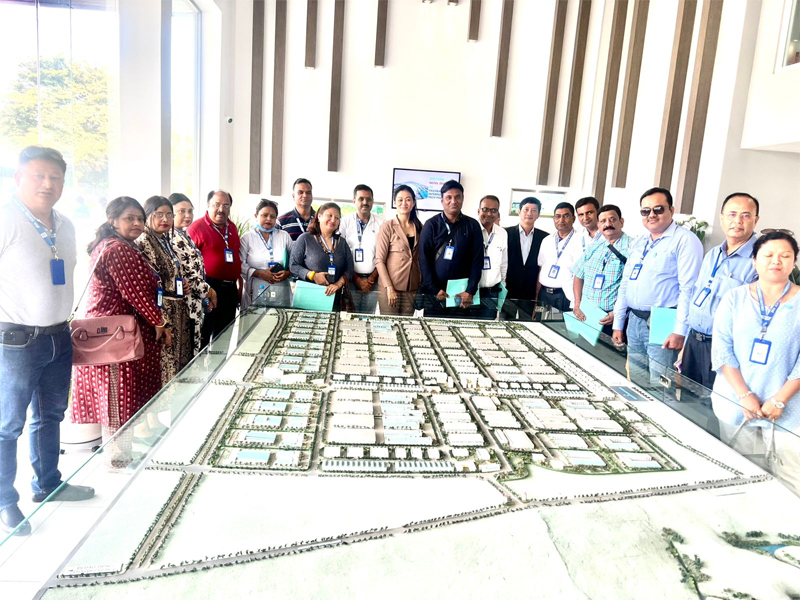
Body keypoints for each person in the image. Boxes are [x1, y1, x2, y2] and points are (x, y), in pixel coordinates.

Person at [0, 147, 94, 536]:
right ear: (18, 178)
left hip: (59, 335)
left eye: (55, 177)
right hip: (15, 342)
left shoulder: (66, 224)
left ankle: (48, 484)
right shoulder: (6, 218)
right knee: (8, 425)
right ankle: (6, 501)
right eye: (38, 175)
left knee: (51, 415)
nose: (47, 184)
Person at [70, 197, 169, 470]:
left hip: (118, 336)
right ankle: (118, 462)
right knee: (118, 401)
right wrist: (160, 323)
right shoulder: (117, 250)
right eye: (129, 218)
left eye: (140, 219)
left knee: (120, 400)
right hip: (114, 340)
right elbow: (136, 293)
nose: (137, 223)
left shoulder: (119, 245)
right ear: (112, 220)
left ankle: (122, 456)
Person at [711, 231, 800, 496]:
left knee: (791, 477)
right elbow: (722, 350)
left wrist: (780, 400)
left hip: (789, 409)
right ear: (754, 260)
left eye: (785, 256)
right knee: (741, 474)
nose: (776, 261)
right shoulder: (734, 298)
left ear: (794, 262)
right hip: (736, 402)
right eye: (768, 255)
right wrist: (744, 395)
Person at [612, 187, 704, 389]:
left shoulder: (685, 240)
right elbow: (626, 283)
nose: (651, 215)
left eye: (658, 209)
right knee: (636, 379)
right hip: (634, 319)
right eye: (646, 211)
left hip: (664, 320)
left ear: (671, 210)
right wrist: (618, 322)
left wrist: (680, 331)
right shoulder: (640, 241)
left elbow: (688, 289)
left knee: (661, 383)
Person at [683, 193, 760, 389]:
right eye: (732, 214)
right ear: (722, 218)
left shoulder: (759, 260)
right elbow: (696, 296)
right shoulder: (713, 254)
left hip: (726, 349)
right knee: (687, 400)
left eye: (745, 215)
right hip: (694, 341)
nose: (737, 221)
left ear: (756, 220)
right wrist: (685, 344)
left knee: (713, 404)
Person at [136, 196, 192, 385]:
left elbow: (170, 271)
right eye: (159, 214)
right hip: (163, 312)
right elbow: (150, 282)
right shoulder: (144, 240)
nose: (165, 219)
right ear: (147, 215)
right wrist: (159, 319)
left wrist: (182, 283)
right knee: (165, 364)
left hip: (178, 309)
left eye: (169, 214)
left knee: (179, 364)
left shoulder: (165, 239)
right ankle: (161, 404)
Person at [418, 180, 483, 314]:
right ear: (442, 200)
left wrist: (470, 290)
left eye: (457, 197)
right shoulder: (431, 225)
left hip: (462, 296)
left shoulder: (472, 225)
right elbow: (423, 259)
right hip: (436, 294)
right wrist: (434, 289)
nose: (453, 201)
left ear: (462, 199)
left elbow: (477, 260)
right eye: (449, 197)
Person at [187, 190, 242, 347]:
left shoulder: (232, 227)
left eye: (226, 206)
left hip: (230, 290)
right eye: (216, 205)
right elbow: (188, 264)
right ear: (208, 205)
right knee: (203, 337)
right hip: (208, 289)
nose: (221, 209)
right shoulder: (196, 228)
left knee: (224, 338)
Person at [572, 204, 633, 336]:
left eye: (612, 219)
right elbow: (578, 275)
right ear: (599, 225)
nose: (608, 224)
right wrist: (577, 303)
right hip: (587, 316)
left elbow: (635, 287)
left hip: (613, 320)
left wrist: (617, 314)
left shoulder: (633, 248)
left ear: (621, 222)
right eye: (603, 221)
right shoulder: (594, 246)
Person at [169, 193, 217, 355]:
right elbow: (188, 275)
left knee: (196, 348)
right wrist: (210, 292)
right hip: (186, 302)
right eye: (182, 211)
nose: (187, 215)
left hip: (195, 301)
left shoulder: (184, 234)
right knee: (189, 351)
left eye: (190, 211)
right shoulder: (172, 238)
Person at [289, 203, 354, 310]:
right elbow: (293, 266)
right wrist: (313, 275)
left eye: (337, 218)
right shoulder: (305, 239)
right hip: (309, 297)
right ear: (319, 216)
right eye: (330, 215)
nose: (333, 220)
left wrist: (338, 284)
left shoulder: (342, 242)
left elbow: (349, 270)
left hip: (335, 298)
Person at [375, 185, 423, 316]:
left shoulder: (420, 227)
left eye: (408, 199)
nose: (404, 203)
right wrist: (389, 287)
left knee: (406, 324)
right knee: (390, 325)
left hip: (412, 288)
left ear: (413, 203)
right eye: (400, 200)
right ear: (395, 202)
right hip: (390, 287)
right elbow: (379, 260)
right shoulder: (387, 227)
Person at [339, 184, 385, 314]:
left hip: (373, 281)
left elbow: (384, 254)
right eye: (361, 199)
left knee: (368, 315)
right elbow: (340, 253)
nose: (365, 202)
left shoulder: (382, 223)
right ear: (354, 200)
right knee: (350, 315)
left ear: (373, 201)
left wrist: (371, 279)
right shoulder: (345, 222)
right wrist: (357, 279)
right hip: (351, 279)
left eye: (368, 199)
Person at [240, 199, 293, 308]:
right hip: (256, 290)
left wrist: (287, 273)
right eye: (264, 215)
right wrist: (259, 273)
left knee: (280, 317)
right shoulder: (247, 238)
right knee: (254, 318)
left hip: (281, 290)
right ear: (256, 216)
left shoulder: (284, 236)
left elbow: (295, 261)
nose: (268, 219)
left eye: (272, 216)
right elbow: (240, 265)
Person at [504, 197, 549, 320]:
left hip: (530, 293)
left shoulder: (545, 238)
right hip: (508, 290)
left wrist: (537, 296)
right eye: (526, 209)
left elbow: (542, 266)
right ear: (519, 212)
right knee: (506, 324)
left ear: (538, 214)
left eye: (534, 210)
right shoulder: (505, 233)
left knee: (528, 324)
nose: (529, 213)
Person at [537, 202, 581, 313]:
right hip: (544, 294)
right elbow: (541, 268)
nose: (561, 220)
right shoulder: (547, 240)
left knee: (561, 324)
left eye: (566, 216)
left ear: (573, 219)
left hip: (565, 295)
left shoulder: (580, 240)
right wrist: (537, 296)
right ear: (554, 219)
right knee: (540, 322)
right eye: (558, 216)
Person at [476, 194, 508, 319]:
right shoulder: (471, 230)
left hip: (492, 293)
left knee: (488, 325)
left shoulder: (502, 233)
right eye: (485, 209)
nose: (489, 214)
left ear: (498, 213)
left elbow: (504, 263)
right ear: (479, 211)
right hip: (472, 292)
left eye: (494, 210)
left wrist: (503, 286)